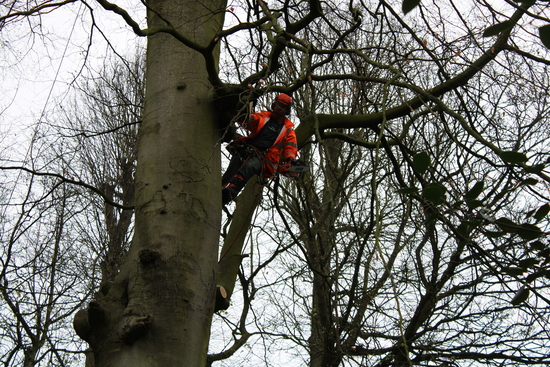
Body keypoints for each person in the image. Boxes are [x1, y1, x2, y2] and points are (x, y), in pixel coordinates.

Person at [222, 93, 298, 205]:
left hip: (264, 159)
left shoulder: (287, 130)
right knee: (232, 169)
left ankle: (230, 193)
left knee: (249, 167)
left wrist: (290, 158)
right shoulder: (264, 117)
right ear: (274, 105)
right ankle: (220, 189)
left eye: (284, 108)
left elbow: (290, 146)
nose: (280, 109)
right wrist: (245, 112)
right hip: (247, 149)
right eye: (279, 105)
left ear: (287, 111)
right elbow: (250, 121)